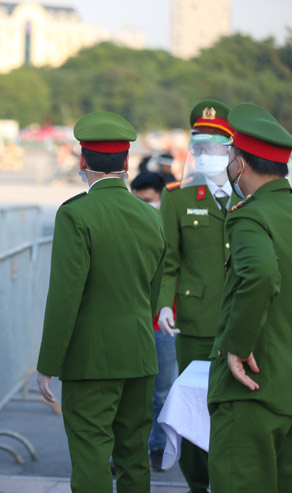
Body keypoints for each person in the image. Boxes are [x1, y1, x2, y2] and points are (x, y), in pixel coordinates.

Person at [36, 111, 165, 493]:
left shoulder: (76, 214)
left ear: (82, 161)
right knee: (133, 455)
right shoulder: (151, 216)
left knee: (91, 455)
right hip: (140, 352)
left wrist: (48, 364)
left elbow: (64, 297)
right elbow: (152, 291)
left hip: (91, 360)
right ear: (126, 163)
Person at [207, 103, 292, 492]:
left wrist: (237, 346)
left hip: (254, 393)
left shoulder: (250, 216)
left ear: (240, 163)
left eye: (229, 155)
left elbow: (259, 274)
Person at [156, 99, 238, 492]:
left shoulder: (250, 196)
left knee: (235, 409)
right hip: (195, 320)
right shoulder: (178, 198)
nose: (206, 154)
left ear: (231, 147)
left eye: (215, 145)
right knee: (194, 409)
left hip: (243, 320)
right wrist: (164, 307)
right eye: (199, 146)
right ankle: (197, 482)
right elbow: (168, 260)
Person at [130, 171, 179, 472]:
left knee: (162, 393)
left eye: (148, 201)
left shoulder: (174, 232)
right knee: (132, 396)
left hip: (163, 327)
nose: (143, 207)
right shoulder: (128, 229)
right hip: (134, 325)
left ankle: (159, 446)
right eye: (137, 201)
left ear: (163, 199)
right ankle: (129, 450)